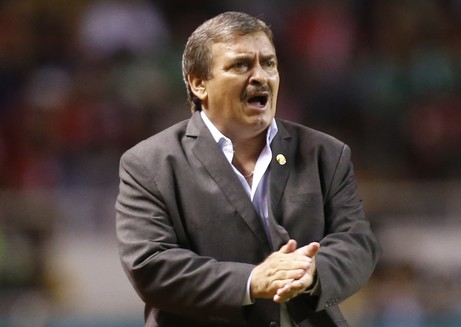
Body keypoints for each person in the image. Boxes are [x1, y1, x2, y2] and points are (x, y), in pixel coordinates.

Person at [115, 11, 380, 327]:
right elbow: (151, 265)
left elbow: (357, 243)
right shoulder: (149, 163)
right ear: (199, 83)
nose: (260, 76)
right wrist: (252, 281)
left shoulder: (326, 154)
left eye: (268, 63)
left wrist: (313, 273)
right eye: (241, 65)